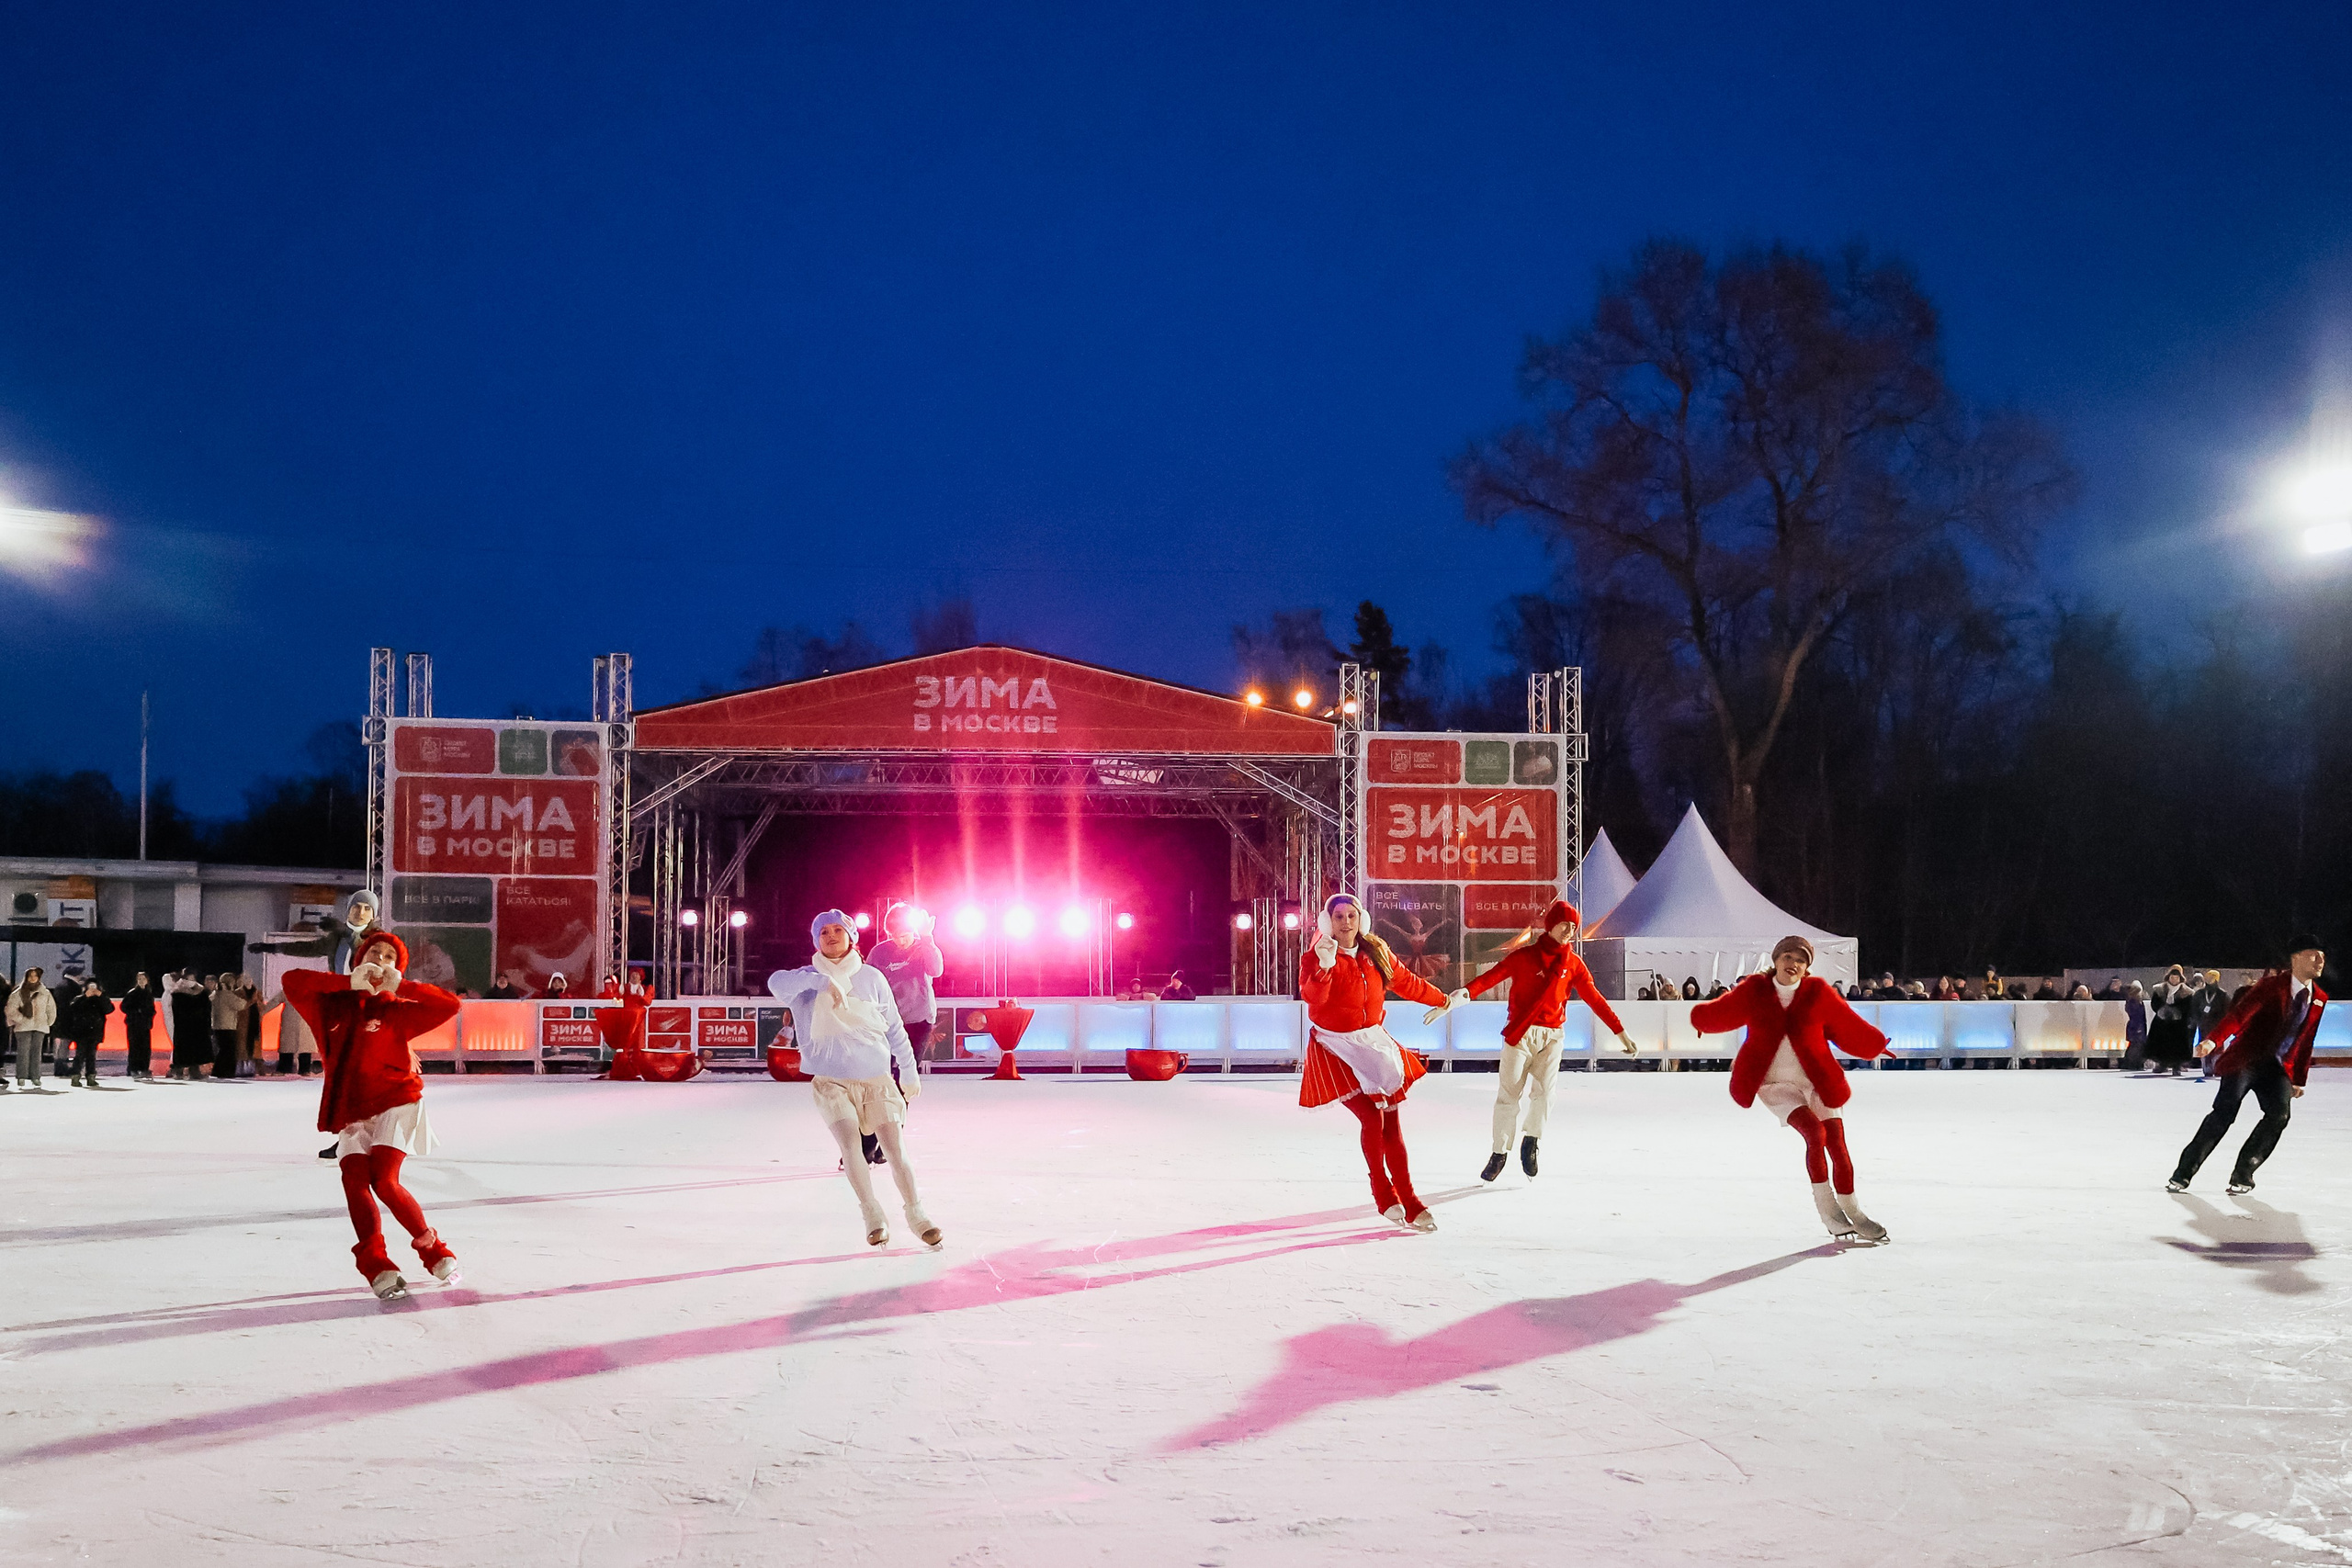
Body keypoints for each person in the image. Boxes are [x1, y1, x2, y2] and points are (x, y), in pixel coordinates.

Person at [282, 931, 465, 1300]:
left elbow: (450, 1006)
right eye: (374, 954)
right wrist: (348, 982)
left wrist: (405, 985)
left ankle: (433, 1249)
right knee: (354, 1179)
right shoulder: (329, 1005)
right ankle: (376, 1263)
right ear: (359, 960)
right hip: (352, 1107)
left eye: (389, 958)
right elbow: (292, 981)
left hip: (398, 1099)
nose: (380, 961)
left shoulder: (397, 1009)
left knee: (383, 1179)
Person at [1690, 934, 1895, 1244]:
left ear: (1807, 967)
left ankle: (1855, 1211)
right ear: (1775, 960)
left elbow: (1846, 1022)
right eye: (1788, 957)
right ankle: (1828, 1209)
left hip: (1817, 1081)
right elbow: (1725, 1010)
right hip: (1775, 1084)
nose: (1794, 964)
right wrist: (1702, 1020)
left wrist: (1874, 1044)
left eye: (1801, 960)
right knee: (1815, 1133)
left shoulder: (1817, 993)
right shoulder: (1756, 990)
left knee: (1838, 1145)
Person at [768, 911, 940, 1249]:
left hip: (876, 1080)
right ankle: (872, 1213)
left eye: (838, 931)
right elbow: (776, 982)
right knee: (851, 1147)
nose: (831, 937)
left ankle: (916, 1214)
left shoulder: (872, 977)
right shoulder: (803, 980)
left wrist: (908, 1069)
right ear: (816, 940)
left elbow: (894, 1027)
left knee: (895, 1150)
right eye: (824, 932)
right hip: (831, 1083)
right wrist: (820, 981)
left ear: (852, 938)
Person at [1440, 899, 1636, 1182]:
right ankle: (1499, 1153)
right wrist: (1455, 999)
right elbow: (1490, 979)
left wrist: (1621, 1031)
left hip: (1552, 1036)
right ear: (1551, 924)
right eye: (1565, 924)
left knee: (1545, 1094)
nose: (1569, 930)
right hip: (1519, 1034)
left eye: (1574, 926)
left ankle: (1531, 1141)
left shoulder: (1573, 964)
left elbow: (1595, 999)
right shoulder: (1524, 957)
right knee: (1508, 1097)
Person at [1299, 893, 1450, 1233]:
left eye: (1351, 915)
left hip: (1373, 1045)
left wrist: (1444, 1000)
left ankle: (1410, 1200)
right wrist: (1323, 969)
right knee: (1371, 1117)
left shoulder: (1376, 953)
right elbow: (1313, 999)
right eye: (1339, 917)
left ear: (1360, 919)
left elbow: (1407, 982)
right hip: (1335, 1047)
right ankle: (1383, 1192)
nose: (1346, 923)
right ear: (1329, 922)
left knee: (1392, 1125)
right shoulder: (1317, 956)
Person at [2168, 937, 2328, 1195]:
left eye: (2323, 956)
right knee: (2224, 1113)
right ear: (2296, 958)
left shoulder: (2319, 998)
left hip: (2276, 1067)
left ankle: (2244, 1172)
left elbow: (2306, 1040)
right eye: (2314, 955)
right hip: (2245, 1060)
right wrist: (2213, 1040)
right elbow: (2239, 1015)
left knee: (2279, 1115)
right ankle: (2183, 1172)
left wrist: (2299, 1078)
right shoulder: (2271, 986)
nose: (2321, 961)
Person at [6, 968, 57, 1092]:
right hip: (23, 1027)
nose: (33, 978)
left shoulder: (45, 993)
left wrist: (48, 1022)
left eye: (35, 976)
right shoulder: (18, 993)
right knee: (23, 1052)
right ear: (27, 977)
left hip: (40, 1026)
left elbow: (51, 1008)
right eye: (31, 976)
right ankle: (22, 1076)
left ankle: (35, 1076)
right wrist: (22, 1019)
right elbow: (11, 1009)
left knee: (36, 1052)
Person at [62, 979, 114, 1088]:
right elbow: (73, 1008)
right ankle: (75, 1076)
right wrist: (85, 997)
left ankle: (91, 1077)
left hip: (95, 1031)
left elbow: (109, 1009)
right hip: (81, 1031)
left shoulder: (100, 999)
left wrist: (101, 996)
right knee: (80, 1054)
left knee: (91, 1055)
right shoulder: (79, 999)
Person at [2146, 965, 2196, 1076]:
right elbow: (2154, 1003)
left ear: (2180, 978)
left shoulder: (2187, 992)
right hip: (2162, 1022)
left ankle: (2177, 1066)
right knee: (2161, 1043)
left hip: (2178, 1023)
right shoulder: (2159, 989)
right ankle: (2162, 1064)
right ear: (2168, 977)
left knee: (2178, 1045)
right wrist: (2161, 1010)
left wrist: (2177, 1011)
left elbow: (2188, 1006)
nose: (2174, 980)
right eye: (2172, 977)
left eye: (2176, 978)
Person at [166, 971, 211, 1079]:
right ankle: (178, 1070)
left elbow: (206, 1008)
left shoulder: (201, 992)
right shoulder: (177, 993)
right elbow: (176, 1009)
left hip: (195, 1025)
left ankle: (194, 1070)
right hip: (183, 1026)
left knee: (194, 1048)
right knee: (182, 1048)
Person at [209, 971, 249, 1081]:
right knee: (229, 1050)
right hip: (228, 1026)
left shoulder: (214, 994)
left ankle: (218, 1071)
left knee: (222, 1049)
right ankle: (227, 1071)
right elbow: (242, 1004)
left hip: (216, 1025)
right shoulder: (228, 995)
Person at [120, 972, 159, 1080]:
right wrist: (137, 1012)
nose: (142, 981)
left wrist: (150, 1014)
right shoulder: (132, 993)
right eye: (139, 979)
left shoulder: (148, 993)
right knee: (134, 1047)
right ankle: (133, 1068)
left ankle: (144, 1068)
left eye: (143, 978)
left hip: (145, 1024)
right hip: (134, 1024)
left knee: (145, 1047)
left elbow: (151, 1008)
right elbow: (124, 1007)